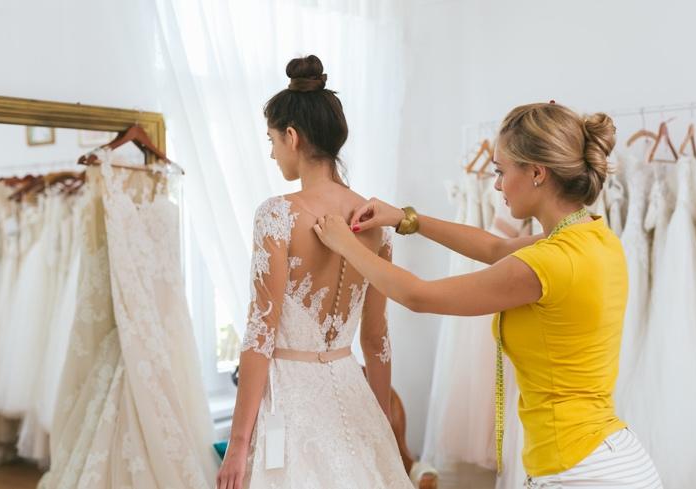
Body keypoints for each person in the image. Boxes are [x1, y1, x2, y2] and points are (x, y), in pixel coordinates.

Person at [313, 102, 663, 488]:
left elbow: (420, 296)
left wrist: (347, 246)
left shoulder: (550, 262)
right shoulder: (594, 236)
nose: (495, 185)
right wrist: (404, 219)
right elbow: (495, 249)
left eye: (500, 171)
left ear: (536, 173)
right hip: (613, 458)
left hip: (580, 472)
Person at [216, 55, 413, 489]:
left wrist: (238, 443)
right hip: (352, 393)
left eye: (270, 140)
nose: (271, 153)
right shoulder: (375, 218)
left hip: (289, 399)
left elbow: (260, 333)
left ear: (291, 136)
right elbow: (376, 338)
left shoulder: (277, 215)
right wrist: (380, 425)